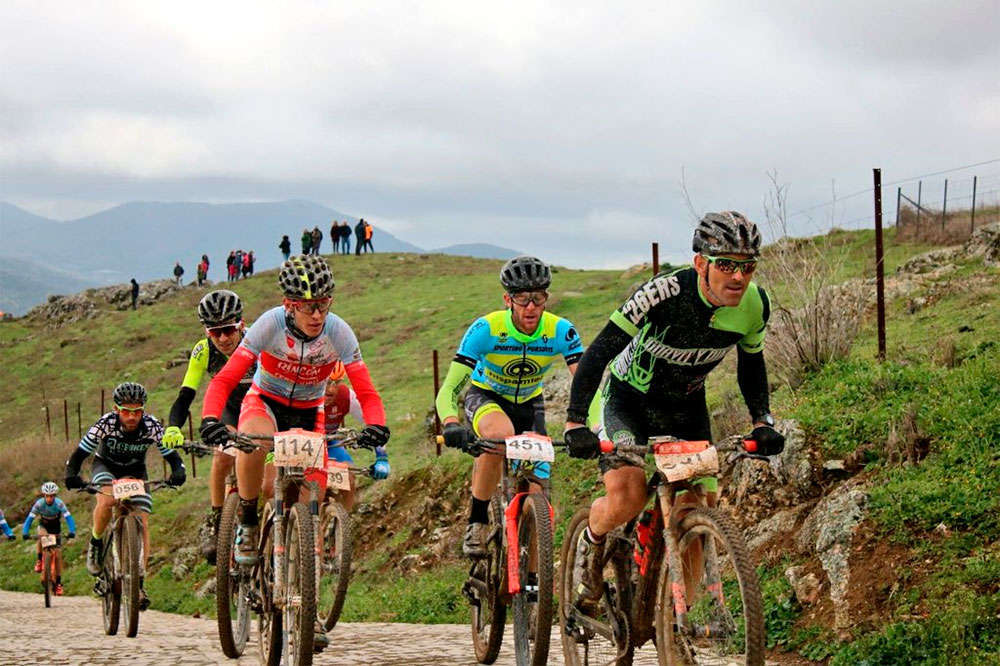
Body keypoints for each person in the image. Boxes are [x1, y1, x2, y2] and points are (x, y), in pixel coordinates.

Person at [561, 211, 785, 614]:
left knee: (700, 508)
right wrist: (576, 421)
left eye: (747, 267)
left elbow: (752, 365)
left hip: (684, 408)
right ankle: (591, 547)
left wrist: (761, 421)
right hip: (625, 401)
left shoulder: (755, 305)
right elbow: (599, 352)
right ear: (701, 263)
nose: (738, 277)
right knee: (628, 496)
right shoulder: (661, 294)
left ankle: (674, 619)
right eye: (727, 265)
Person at [199, 254, 390, 652]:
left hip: (308, 412)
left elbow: (366, 391)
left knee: (310, 508)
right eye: (308, 306)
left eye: (324, 303)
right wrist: (210, 417)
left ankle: (310, 610)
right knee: (249, 440)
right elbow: (226, 378)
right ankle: (249, 522)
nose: (317, 313)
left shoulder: (339, 333)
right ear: (290, 305)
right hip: (264, 403)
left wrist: (376, 425)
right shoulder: (268, 325)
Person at [436, 256, 584, 557]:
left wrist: (587, 425)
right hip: (486, 396)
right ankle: (476, 522)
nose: (530, 307)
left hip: (530, 404)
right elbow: (450, 388)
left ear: (546, 298)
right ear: (508, 299)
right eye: (522, 298)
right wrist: (451, 422)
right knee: (497, 435)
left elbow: (586, 386)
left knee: (538, 494)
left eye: (538, 298)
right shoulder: (486, 329)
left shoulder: (560, 331)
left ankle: (532, 588)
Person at [65, 382, 186, 611]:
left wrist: (178, 471)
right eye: (126, 411)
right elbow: (81, 452)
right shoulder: (106, 423)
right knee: (107, 500)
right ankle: (96, 542)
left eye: (137, 411)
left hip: (135, 472)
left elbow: (171, 455)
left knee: (143, 519)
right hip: (106, 467)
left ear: (143, 410)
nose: (132, 417)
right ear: (116, 409)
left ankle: (139, 580)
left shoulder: (151, 426)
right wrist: (71, 474)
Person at [161, 290, 255, 564]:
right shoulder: (203, 351)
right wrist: (173, 427)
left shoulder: (256, 343)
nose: (224, 338)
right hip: (228, 409)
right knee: (222, 454)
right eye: (216, 333)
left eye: (228, 330)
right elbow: (185, 395)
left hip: (258, 406)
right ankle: (216, 518)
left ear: (240, 323)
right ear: (207, 331)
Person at [323, 362, 365, 510]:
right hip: (304, 443)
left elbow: (372, 422)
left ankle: (343, 525)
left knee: (350, 477)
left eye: (337, 382)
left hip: (330, 442)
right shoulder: (302, 392)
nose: (331, 389)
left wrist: (381, 455)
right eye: (327, 382)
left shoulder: (347, 396)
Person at [21, 482, 77, 596]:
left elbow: (69, 518)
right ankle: (39, 559)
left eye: (52, 496)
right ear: (44, 495)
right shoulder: (39, 504)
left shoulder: (59, 504)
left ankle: (59, 583)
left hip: (56, 527)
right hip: (44, 526)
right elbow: (29, 519)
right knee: (41, 536)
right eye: (47, 496)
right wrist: (25, 532)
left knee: (58, 555)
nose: (50, 498)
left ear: (55, 496)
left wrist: (72, 531)